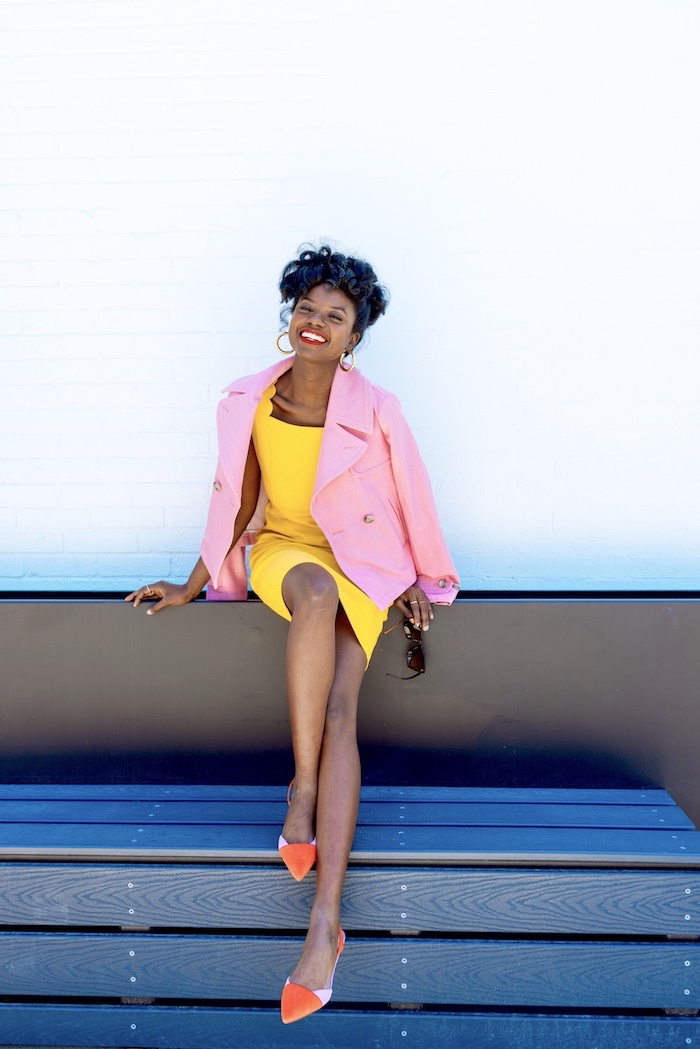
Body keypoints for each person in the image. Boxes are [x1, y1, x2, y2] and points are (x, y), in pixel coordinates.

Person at [126, 244, 459, 1023]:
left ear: (354, 337)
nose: (315, 323)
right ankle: (302, 787)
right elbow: (236, 506)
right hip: (287, 552)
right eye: (306, 309)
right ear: (292, 318)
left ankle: (324, 925)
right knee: (310, 594)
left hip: (365, 564)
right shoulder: (249, 398)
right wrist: (194, 582)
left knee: (345, 711)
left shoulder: (377, 408)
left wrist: (422, 575)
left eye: (334, 316)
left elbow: (413, 492)